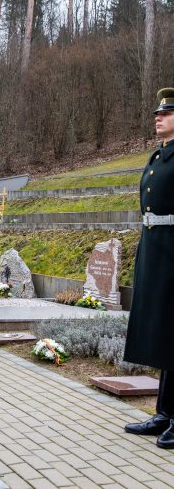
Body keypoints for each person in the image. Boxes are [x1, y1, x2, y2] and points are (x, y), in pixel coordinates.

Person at [123, 87, 174, 449]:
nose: (158, 117)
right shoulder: (158, 157)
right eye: (157, 113)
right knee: (163, 332)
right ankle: (165, 413)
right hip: (156, 251)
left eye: (166, 113)